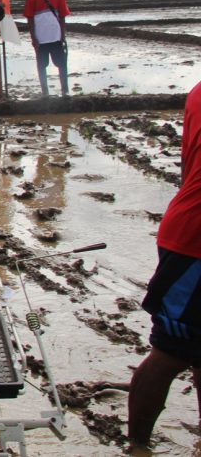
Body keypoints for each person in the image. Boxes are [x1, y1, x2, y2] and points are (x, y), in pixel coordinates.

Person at [128, 80, 201, 454]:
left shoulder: (198, 91)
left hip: (186, 224)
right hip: (195, 243)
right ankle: (138, 445)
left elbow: (188, 164)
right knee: (171, 350)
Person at [23, 0, 70, 97]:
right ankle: (45, 92)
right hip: (41, 39)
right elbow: (30, 19)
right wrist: (34, 38)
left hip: (56, 38)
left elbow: (62, 17)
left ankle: (65, 91)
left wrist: (63, 36)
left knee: (62, 64)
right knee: (42, 66)